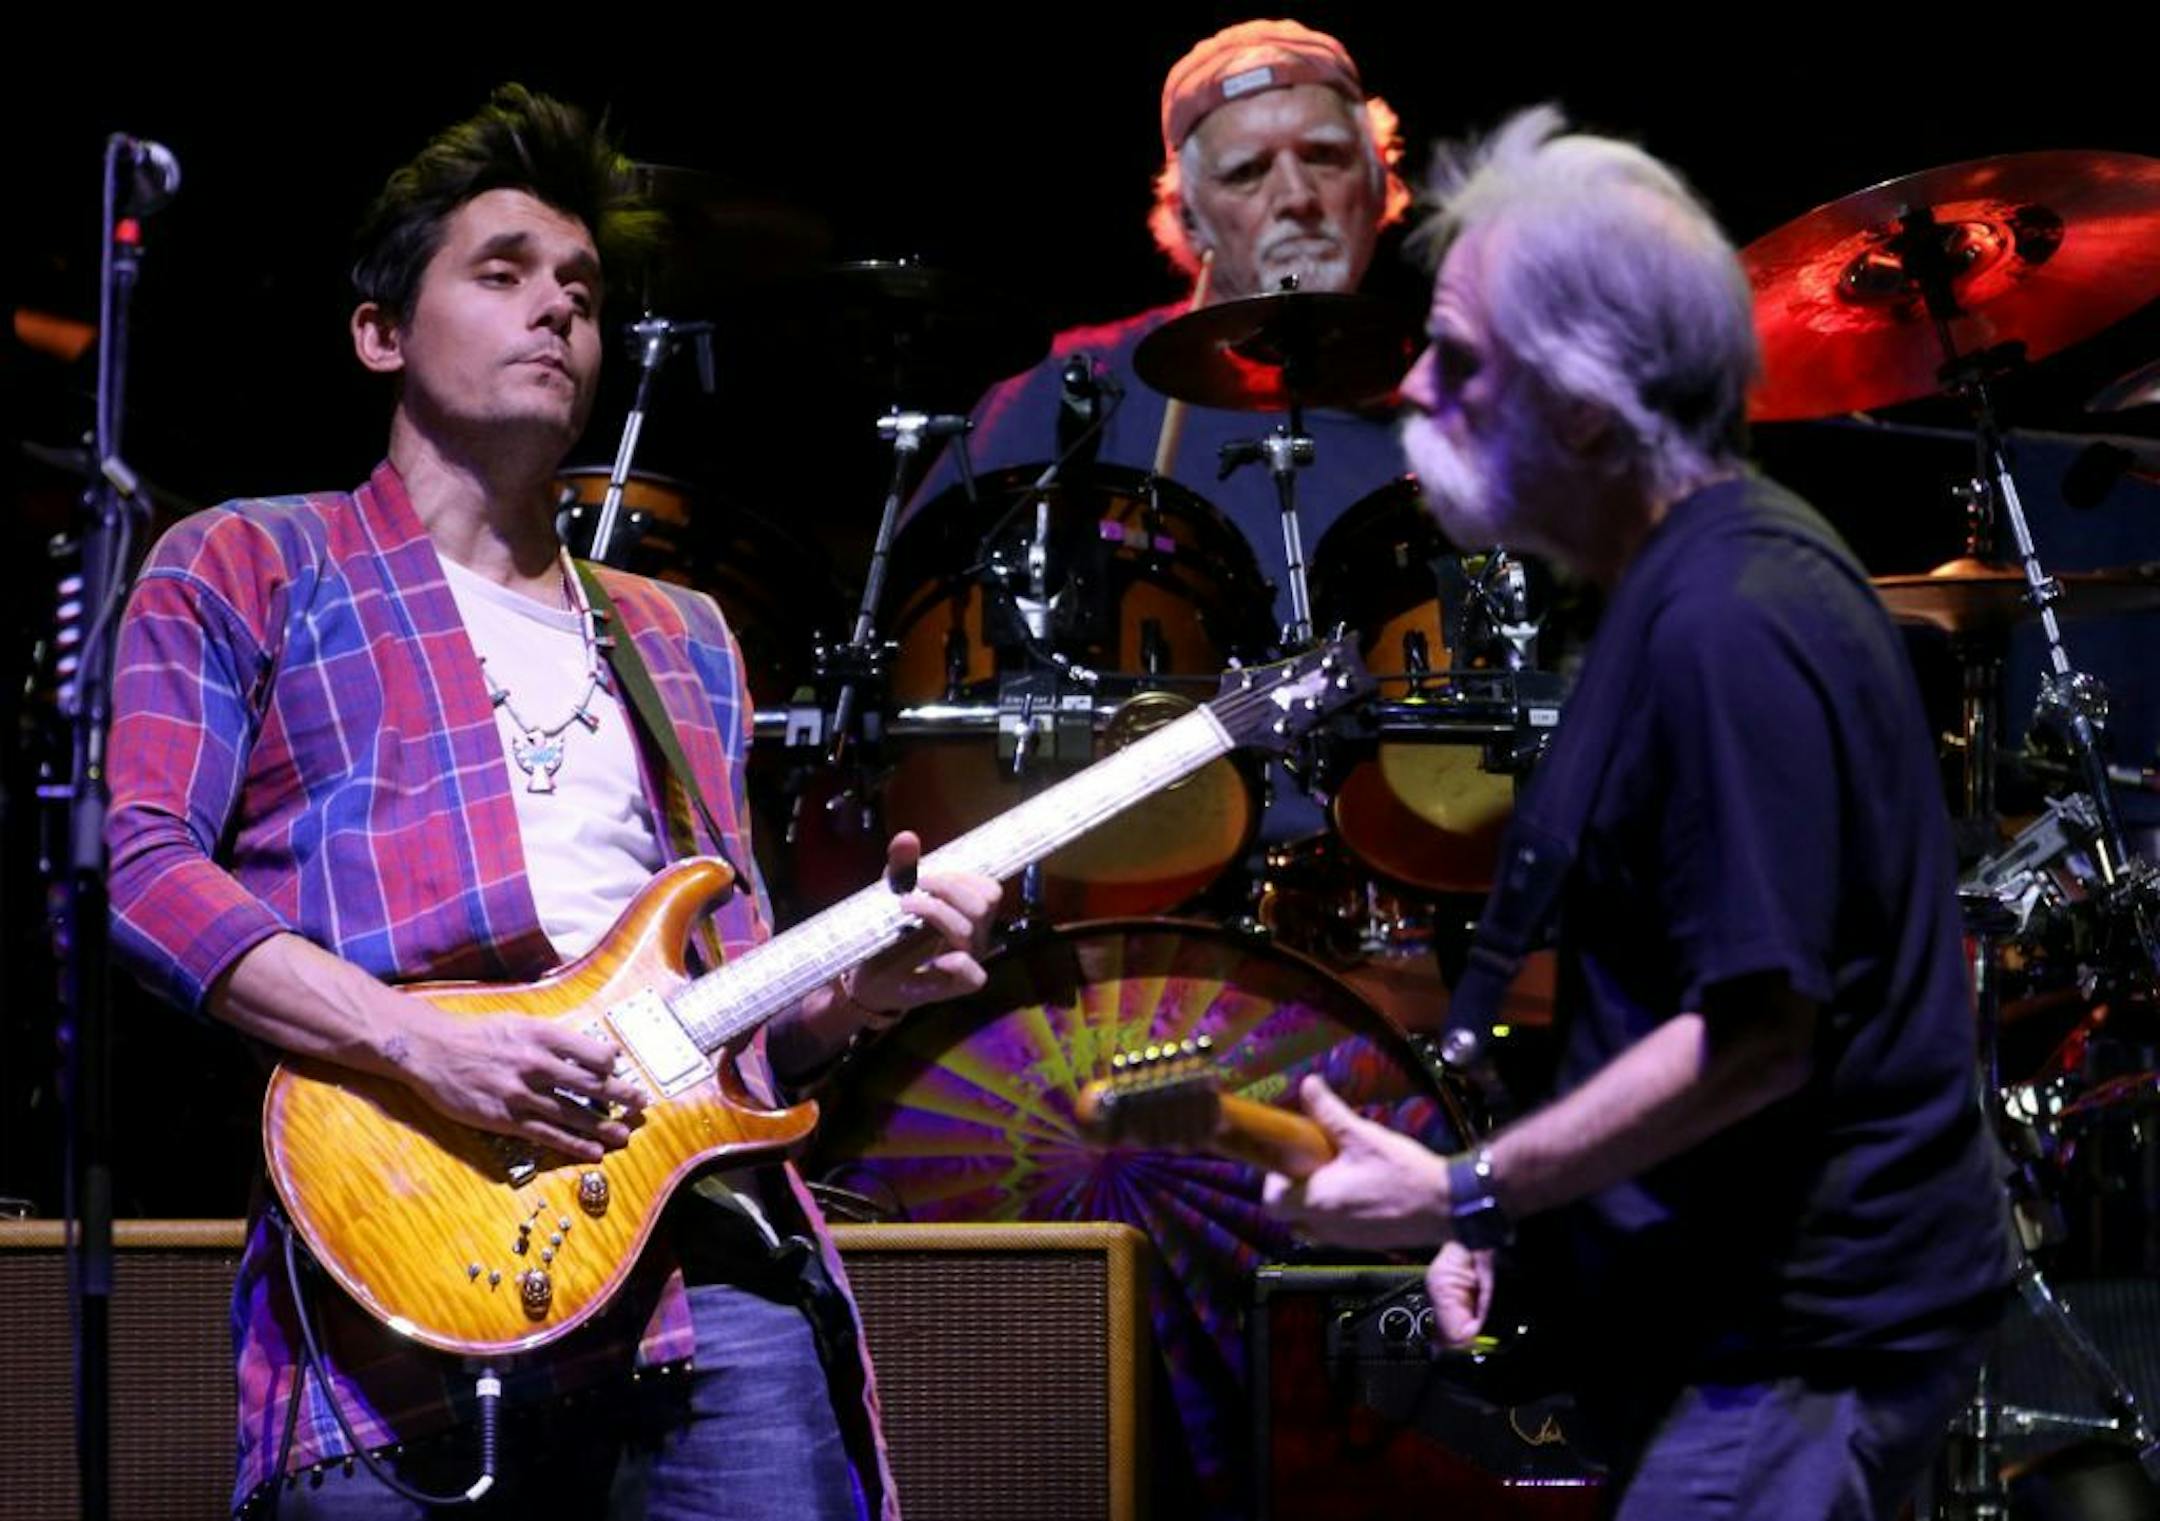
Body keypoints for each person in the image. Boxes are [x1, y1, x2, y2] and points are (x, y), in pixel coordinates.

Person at [104, 85, 998, 1519]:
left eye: (580, 288)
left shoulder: (682, 634)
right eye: (503, 273)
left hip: (703, 1259)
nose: (557, 313)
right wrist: (420, 1047)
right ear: (381, 332)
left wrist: (861, 991)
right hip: (408, 1230)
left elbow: (737, 1002)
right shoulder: (248, 563)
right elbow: (139, 869)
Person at [1265, 106, 2016, 1519]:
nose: (1413, 388)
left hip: (1790, 1358)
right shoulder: (1680, 587)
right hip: (1759, 1344)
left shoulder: (1729, 622)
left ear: (1587, 400)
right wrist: (1522, 1216)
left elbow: (1752, 1041)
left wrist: (1470, 1189)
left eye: (1461, 358)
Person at [907, 17, 1417, 628]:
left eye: (1325, 157)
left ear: (1379, 181)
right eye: (1248, 172)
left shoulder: (1465, 412)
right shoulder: (1077, 385)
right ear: (1191, 218)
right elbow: (924, 621)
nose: (1297, 197)